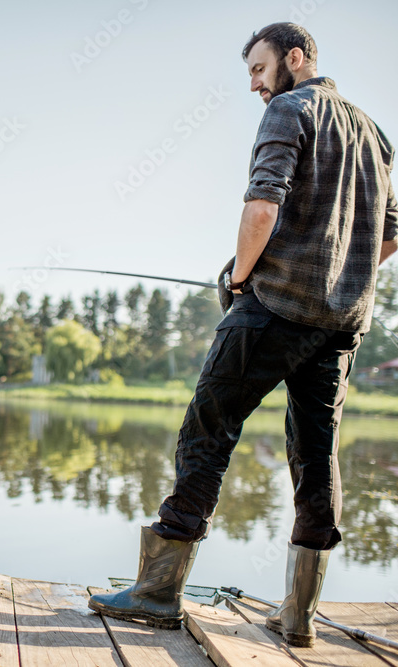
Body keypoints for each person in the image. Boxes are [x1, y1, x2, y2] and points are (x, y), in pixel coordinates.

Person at [88, 23, 398, 648]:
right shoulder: (375, 133)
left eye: (259, 69)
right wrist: (343, 275)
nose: (255, 84)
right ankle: (300, 616)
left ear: (295, 58)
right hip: (341, 325)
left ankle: (156, 591)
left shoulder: (291, 108)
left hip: (274, 308)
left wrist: (238, 277)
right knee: (318, 457)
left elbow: (263, 204)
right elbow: (391, 232)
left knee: (208, 428)